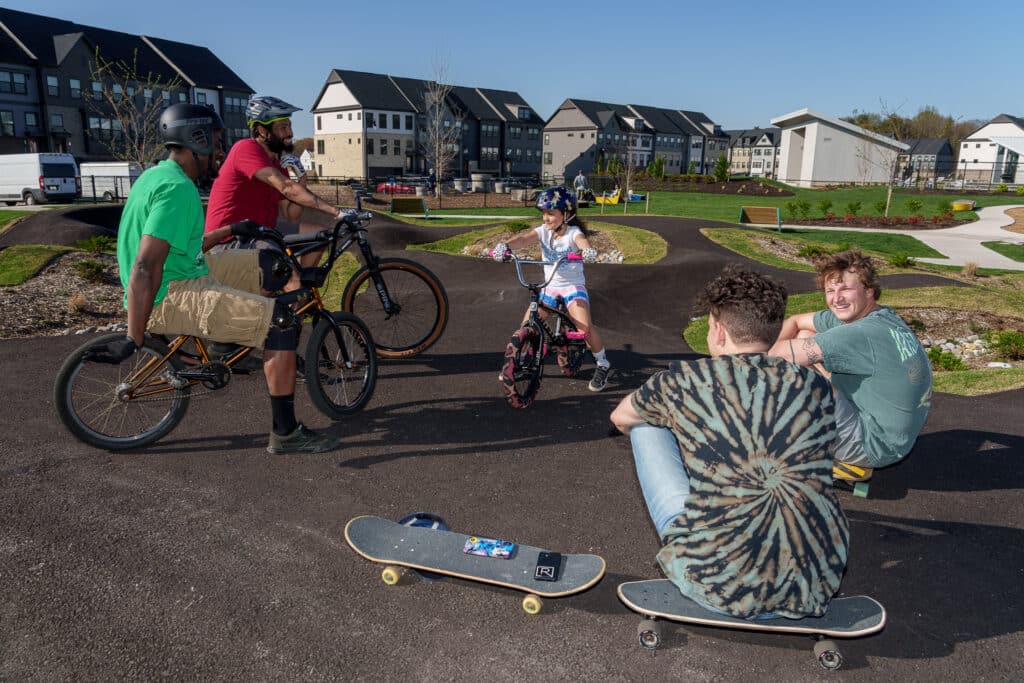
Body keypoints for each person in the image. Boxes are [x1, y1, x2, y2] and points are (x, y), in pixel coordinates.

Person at [88, 102, 342, 455]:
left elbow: (188, 245)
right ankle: (286, 433)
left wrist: (233, 228)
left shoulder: (156, 176)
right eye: (217, 140)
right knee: (283, 323)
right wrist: (134, 336)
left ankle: (236, 340)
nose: (221, 149)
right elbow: (145, 266)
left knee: (274, 264)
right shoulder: (178, 190)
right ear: (198, 138)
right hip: (173, 292)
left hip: (186, 270)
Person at [610, 265, 848, 619]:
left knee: (646, 425)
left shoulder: (685, 380)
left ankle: (707, 526)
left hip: (716, 585)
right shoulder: (815, 385)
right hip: (813, 583)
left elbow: (620, 417)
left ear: (719, 331)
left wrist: (688, 428)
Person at [767, 248, 932, 482]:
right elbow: (796, 321)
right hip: (891, 435)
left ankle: (815, 454)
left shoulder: (862, 334)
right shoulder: (881, 317)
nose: (837, 298)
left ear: (869, 291)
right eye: (830, 290)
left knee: (789, 371)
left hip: (872, 446)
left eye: (846, 289)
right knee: (804, 335)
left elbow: (772, 356)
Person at [492, 185, 611, 391]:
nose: (545, 218)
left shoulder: (573, 233)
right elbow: (522, 239)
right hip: (550, 286)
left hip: (572, 287)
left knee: (584, 328)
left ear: (567, 213)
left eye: (550, 213)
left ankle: (602, 364)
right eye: (543, 214)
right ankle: (518, 362)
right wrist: (506, 246)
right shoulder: (543, 232)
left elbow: (582, 241)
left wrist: (588, 250)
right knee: (527, 324)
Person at [205, 94, 343, 267]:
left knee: (320, 235)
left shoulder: (278, 163)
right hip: (229, 239)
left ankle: (302, 289)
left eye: (290, 126)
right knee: (282, 272)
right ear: (262, 131)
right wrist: (336, 211)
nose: (290, 133)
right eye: (283, 127)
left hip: (262, 233)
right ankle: (292, 287)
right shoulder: (245, 149)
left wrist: (302, 178)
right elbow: (286, 187)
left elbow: (291, 215)